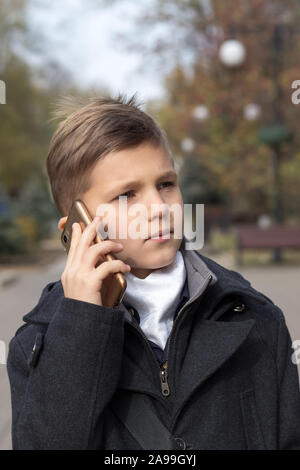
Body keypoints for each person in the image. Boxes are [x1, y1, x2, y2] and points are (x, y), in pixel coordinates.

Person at [6, 93, 300, 450]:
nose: (159, 207)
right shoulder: (36, 347)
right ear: (77, 228)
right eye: (127, 195)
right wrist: (83, 324)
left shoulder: (256, 319)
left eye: (165, 184)